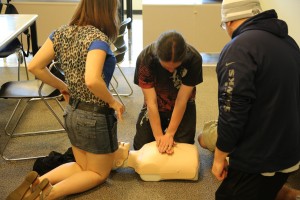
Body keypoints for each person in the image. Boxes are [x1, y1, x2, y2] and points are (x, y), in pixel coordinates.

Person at [6, 0, 124, 199]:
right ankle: (47, 194)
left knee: (81, 166)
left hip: (72, 113)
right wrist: (113, 102)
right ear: (108, 9)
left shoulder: (61, 32)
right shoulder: (98, 39)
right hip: (94, 117)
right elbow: (92, 80)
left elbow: (34, 66)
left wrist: (63, 86)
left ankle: (32, 186)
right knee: (98, 173)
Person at [211, 0, 300, 199]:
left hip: (260, 160)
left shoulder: (238, 48)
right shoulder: (289, 42)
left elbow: (232, 109)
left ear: (229, 21)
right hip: (291, 150)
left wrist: (219, 157)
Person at [133, 30, 203, 155]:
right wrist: (159, 136)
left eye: (175, 66)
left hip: (183, 103)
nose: (171, 70)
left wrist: (170, 133)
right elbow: (151, 102)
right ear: (158, 57)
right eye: (166, 67)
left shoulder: (194, 59)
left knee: (183, 148)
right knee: (141, 147)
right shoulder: (146, 58)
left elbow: (182, 100)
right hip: (157, 102)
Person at [113, 142, 199, 181]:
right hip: (191, 165)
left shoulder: (144, 147)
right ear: (119, 162)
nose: (118, 141)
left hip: (190, 156)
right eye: (111, 149)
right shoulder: (143, 166)